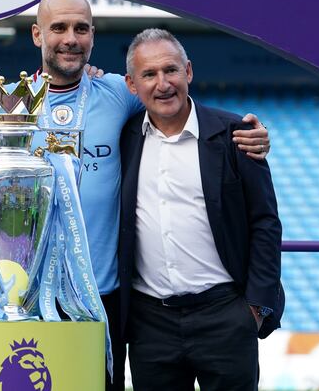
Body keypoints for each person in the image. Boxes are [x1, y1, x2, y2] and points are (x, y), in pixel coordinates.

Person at [28, 0, 271, 390]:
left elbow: (173, 101)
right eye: (59, 28)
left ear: (93, 35)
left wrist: (250, 133)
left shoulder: (119, 94)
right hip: (36, 296)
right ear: (38, 35)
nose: (70, 38)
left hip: (105, 298)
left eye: (81, 28)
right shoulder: (6, 101)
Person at [119, 29, 283, 391]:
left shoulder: (236, 134)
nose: (163, 83)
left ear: (189, 71)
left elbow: (266, 223)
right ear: (132, 84)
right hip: (150, 324)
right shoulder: (123, 136)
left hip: (225, 315)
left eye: (171, 70)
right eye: (149, 74)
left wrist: (254, 310)